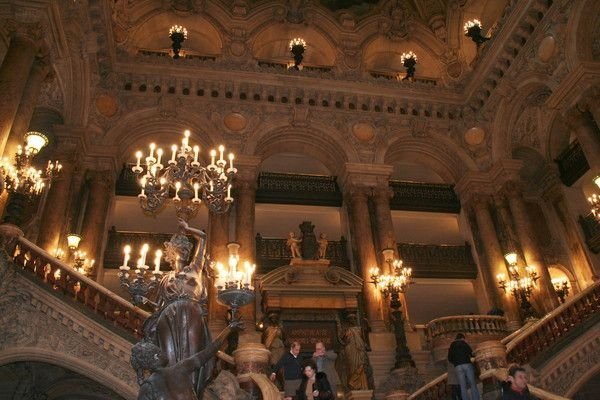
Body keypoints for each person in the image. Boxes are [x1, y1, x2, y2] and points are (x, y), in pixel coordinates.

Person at [145, 218, 213, 396]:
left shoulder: (195, 268)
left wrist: (188, 229)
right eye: (179, 248)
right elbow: (157, 307)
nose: (183, 251)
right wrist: (141, 300)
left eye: (186, 248)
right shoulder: (165, 278)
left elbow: (204, 238)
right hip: (167, 317)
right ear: (171, 253)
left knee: (192, 357)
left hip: (192, 313)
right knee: (169, 360)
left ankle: (190, 395)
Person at [132, 319, 243, 400]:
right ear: (156, 356)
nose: (164, 353)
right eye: (160, 352)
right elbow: (208, 352)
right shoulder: (180, 368)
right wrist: (228, 329)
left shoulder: (147, 387)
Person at [338, 313, 371, 390]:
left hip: (360, 349)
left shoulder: (360, 329)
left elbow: (366, 336)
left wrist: (367, 324)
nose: (353, 320)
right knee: (352, 366)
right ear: (348, 321)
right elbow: (341, 339)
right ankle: (353, 384)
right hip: (350, 350)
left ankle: (359, 384)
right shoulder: (346, 330)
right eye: (351, 319)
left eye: (354, 318)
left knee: (361, 364)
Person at [448, 333, 480, 400]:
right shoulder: (464, 343)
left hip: (458, 367)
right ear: (462, 338)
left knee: (463, 386)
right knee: (472, 383)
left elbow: (449, 358)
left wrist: (456, 363)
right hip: (467, 364)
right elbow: (471, 353)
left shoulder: (452, 345)